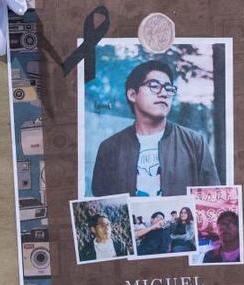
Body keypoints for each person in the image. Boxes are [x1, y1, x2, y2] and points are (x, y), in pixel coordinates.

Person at [90, 60, 221, 197]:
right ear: (132, 95)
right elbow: (102, 202)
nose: (163, 93)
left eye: (169, 89)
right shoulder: (110, 148)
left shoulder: (194, 143)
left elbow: (212, 199)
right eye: (154, 86)